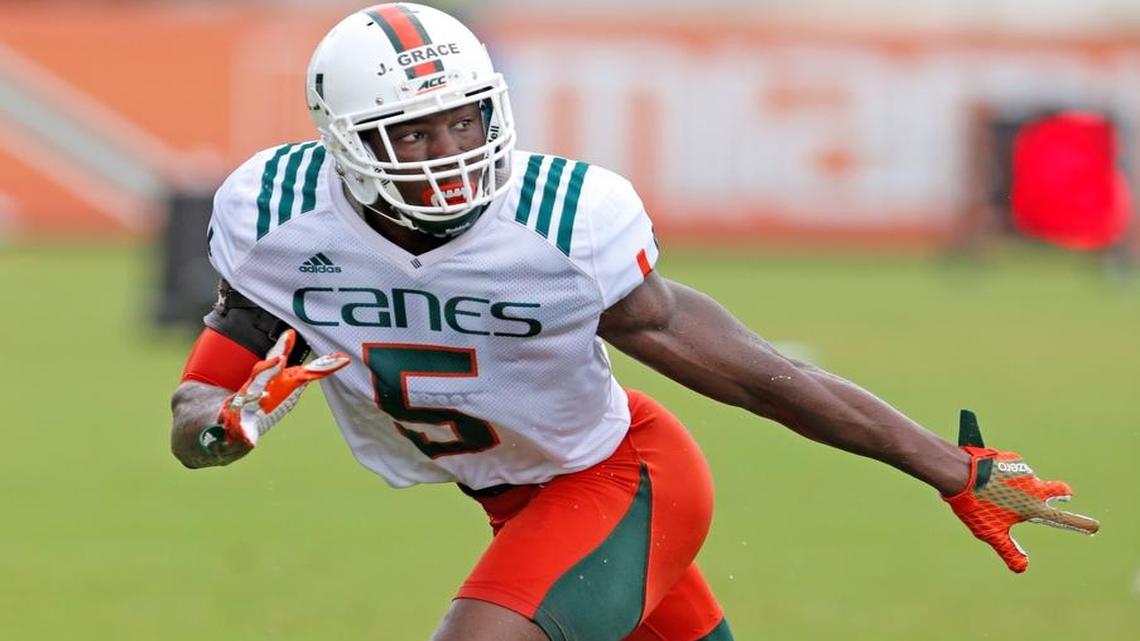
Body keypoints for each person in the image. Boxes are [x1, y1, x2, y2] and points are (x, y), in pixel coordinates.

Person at [169, 4, 1100, 641]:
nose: (448, 154)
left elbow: (766, 377)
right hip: (513, 498)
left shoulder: (563, 222)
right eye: (412, 134)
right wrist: (225, 426)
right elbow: (201, 406)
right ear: (343, 141)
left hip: (620, 479)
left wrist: (949, 466)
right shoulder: (276, 213)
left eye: (462, 121)